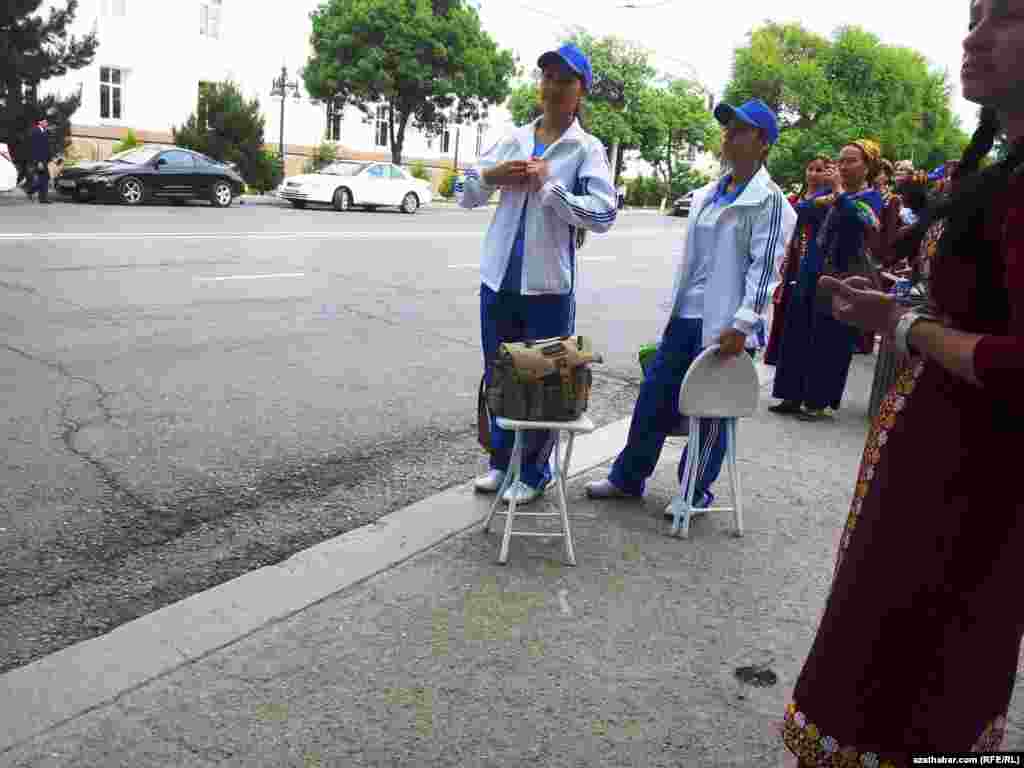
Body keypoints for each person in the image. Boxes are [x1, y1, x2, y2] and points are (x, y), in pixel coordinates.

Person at [781, 0, 1024, 762]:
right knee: (901, 651)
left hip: (973, 485)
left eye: (1007, 17)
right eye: (973, 14)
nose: (973, 36)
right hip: (941, 460)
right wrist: (901, 311)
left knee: (912, 664)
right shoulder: (1002, 165)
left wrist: (910, 329)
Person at [585, 99, 796, 513]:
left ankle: (694, 491)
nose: (728, 135)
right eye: (727, 128)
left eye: (739, 129)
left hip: (726, 327)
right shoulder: (708, 195)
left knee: (712, 412)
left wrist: (744, 323)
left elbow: (765, 269)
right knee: (654, 397)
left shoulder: (771, 202)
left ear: (763, 143)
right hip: (685, 318)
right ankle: (628, 478)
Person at [458, 43, 618, 506]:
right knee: (500, 375)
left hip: (548, 286)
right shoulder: (512, 137)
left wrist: (551, 186)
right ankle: (500, 462)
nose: (552, 87)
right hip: (499, 280)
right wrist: (493, 175)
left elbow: (604, 214)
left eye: (564, 80)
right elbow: (464, 193)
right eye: (547, 77)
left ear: (580, 91)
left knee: (544, 383)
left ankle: (534, 471)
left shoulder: (586, 150)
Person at [769, 141, 884, 420]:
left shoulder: (871, 198)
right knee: (798, 330)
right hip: (812, 269)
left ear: (867, 166)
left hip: (844, 276)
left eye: (850, 161)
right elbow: (803, 211)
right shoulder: (828, 194)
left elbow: (862, 222)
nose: (842, 166)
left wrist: (838, 194)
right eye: (840, 160)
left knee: (829, 338)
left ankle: (818, 401)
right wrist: (822, 194)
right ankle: (792, 394)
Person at [765, 156, 833, 368]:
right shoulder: (795, 198)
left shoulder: (828, 199)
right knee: (782, 303)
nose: (813, 174)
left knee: (799, 307)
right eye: (810, 169)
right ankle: (775, 353)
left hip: (811, 256)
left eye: (819, 170)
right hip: (790, 255)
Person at [27, 119, 52, 204]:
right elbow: (35, 148)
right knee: (45, 178)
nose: (47, 123)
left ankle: (32, 192)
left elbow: (46, 147)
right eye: (45, 122)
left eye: (47, 122)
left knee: (44, 178)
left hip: (44, 159)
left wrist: (49, 158)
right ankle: (41, 197)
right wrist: (38, 162)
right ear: (40, 122)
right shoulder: (35, 131)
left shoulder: (45, 131)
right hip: (39, 159)